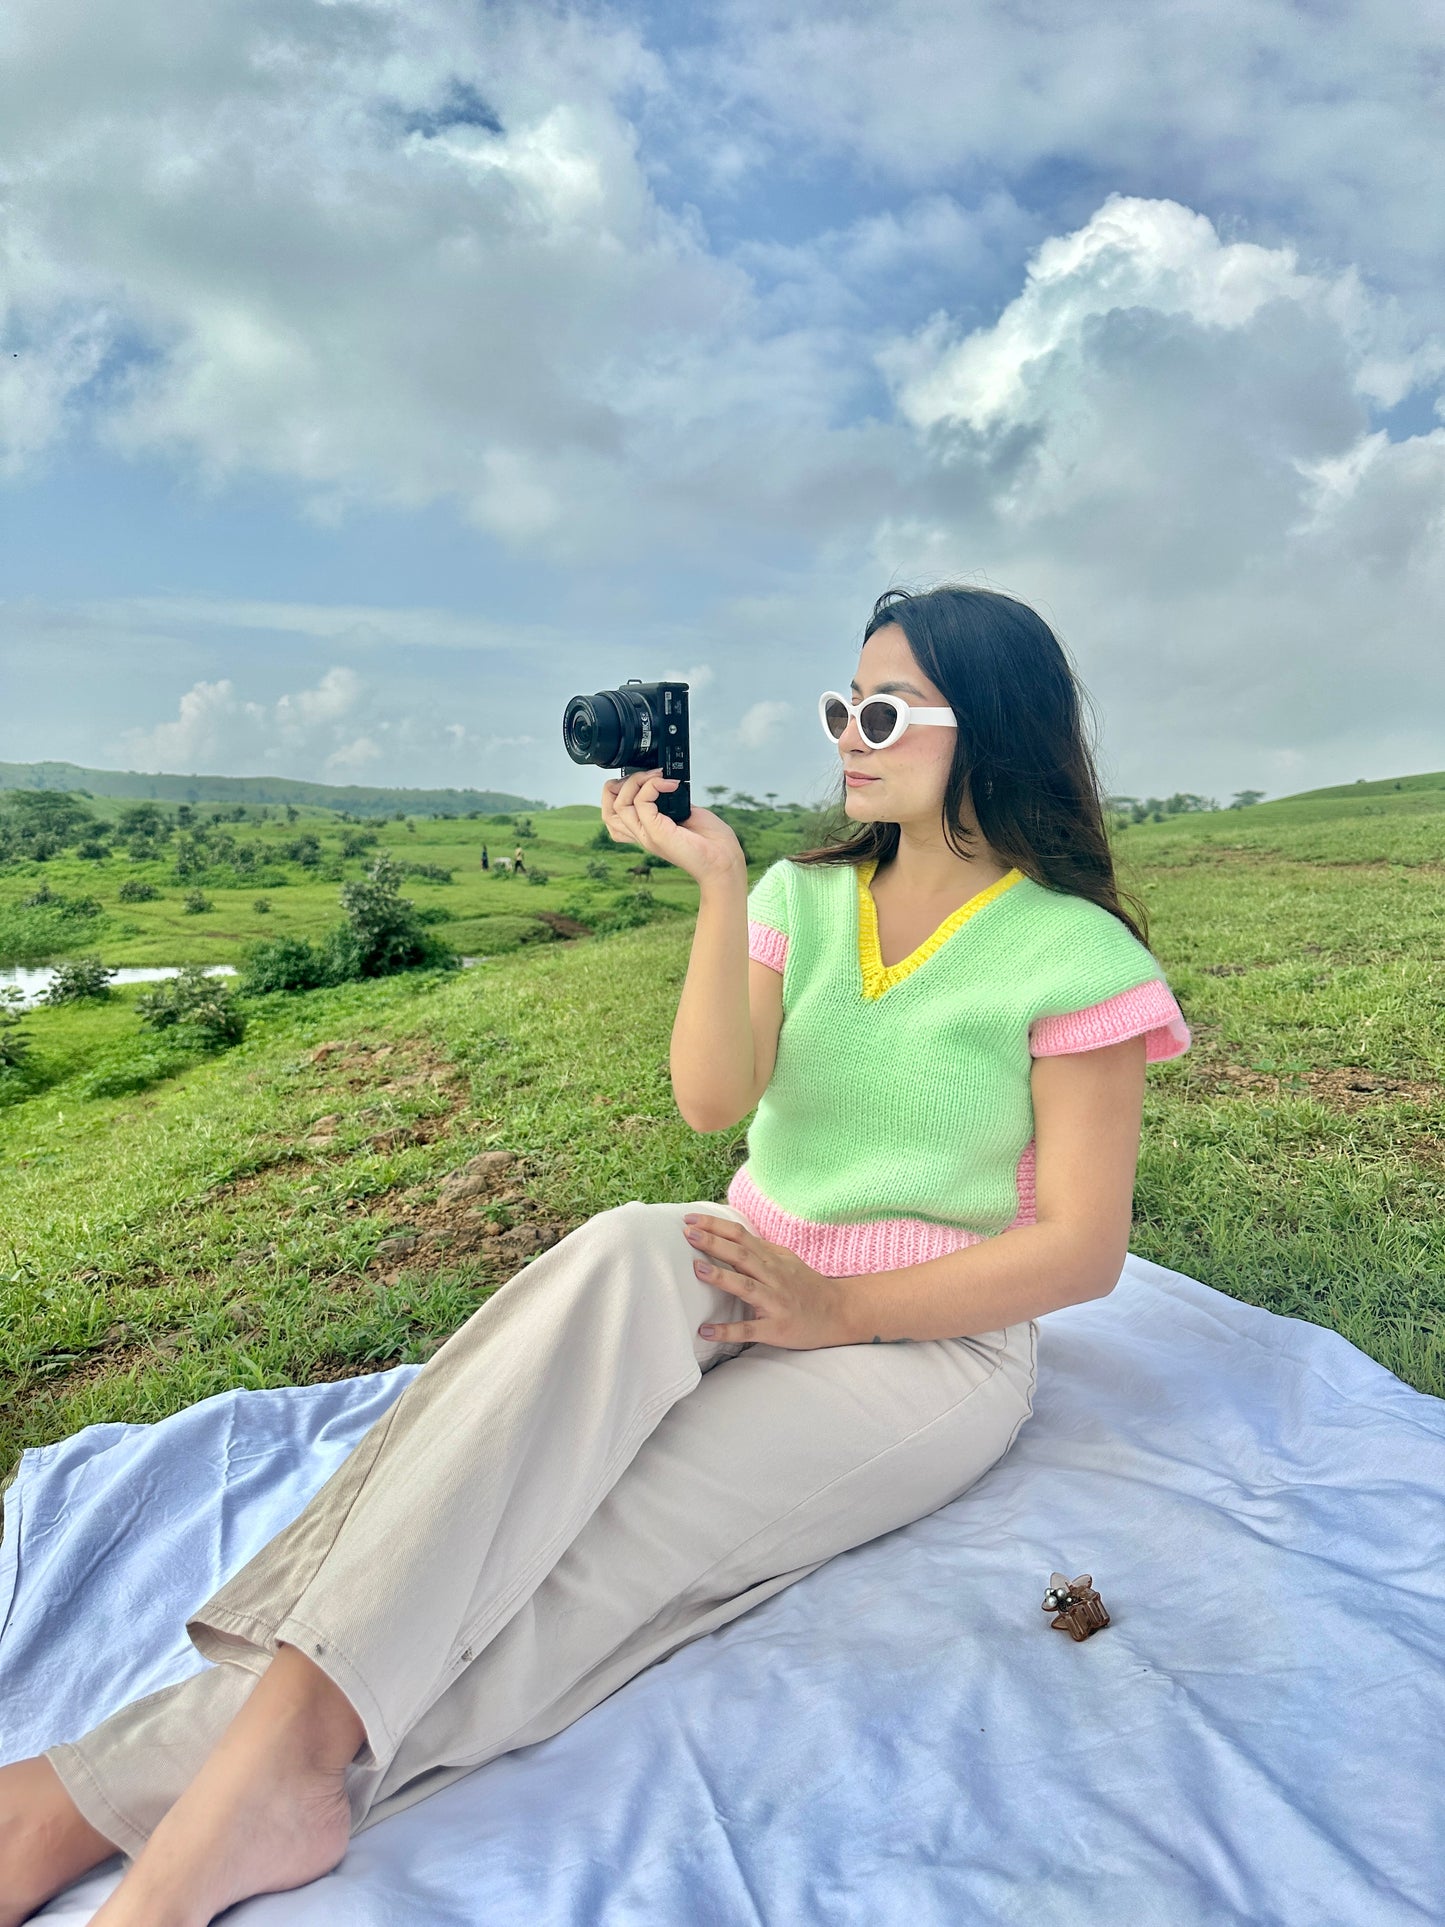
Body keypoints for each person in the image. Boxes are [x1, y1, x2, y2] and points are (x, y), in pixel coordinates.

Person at [1, 583, 1191, 1925]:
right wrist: (720, 887)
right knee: (612, 1273)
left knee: (579, 1548)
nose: (846, 737)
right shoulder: (799, 897)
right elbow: (708, 1101)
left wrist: (841, 1307)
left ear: (994, 728)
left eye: (881, 709)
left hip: (924, 1345)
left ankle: (110, 1800)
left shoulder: (1072, 954)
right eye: (836, 707)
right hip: (741, 1266)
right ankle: (254, 1778)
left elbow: (1081, 1253)